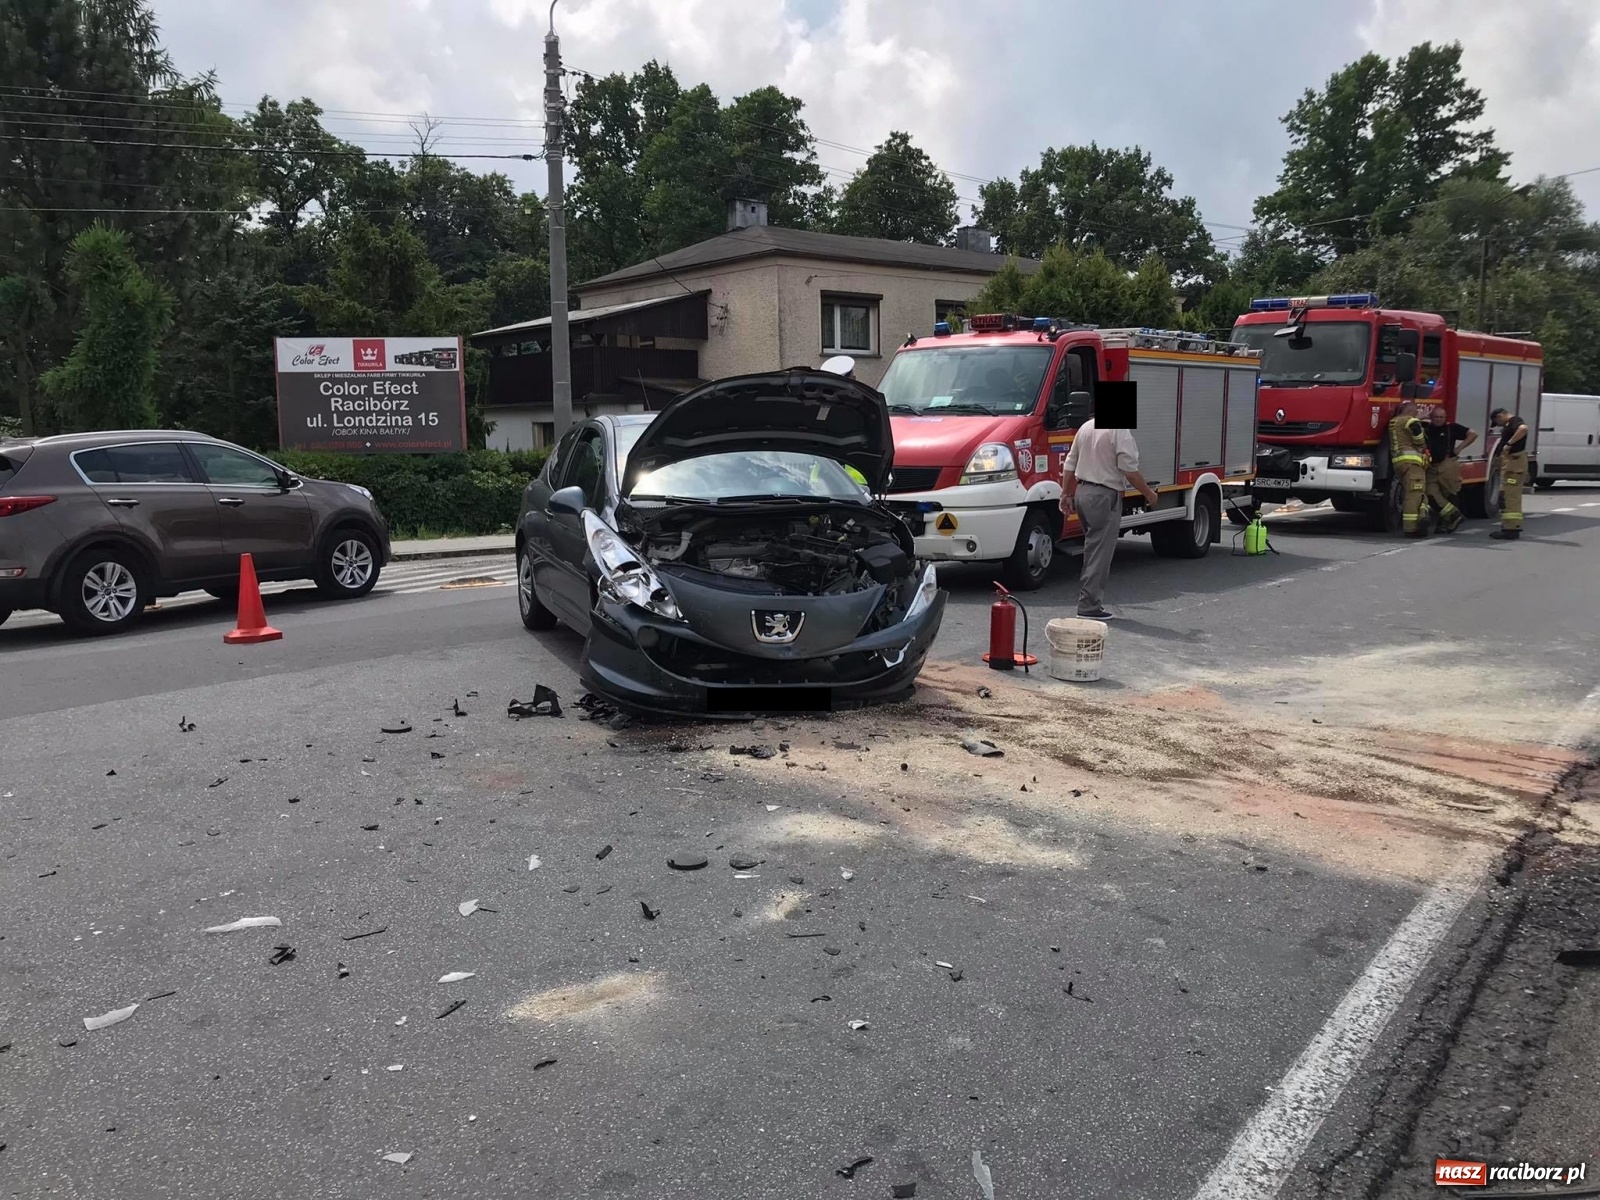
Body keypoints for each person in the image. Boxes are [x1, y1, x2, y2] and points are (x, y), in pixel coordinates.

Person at [1058, 418, 1160, 620]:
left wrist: (1065, 494)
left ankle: (1088, 600)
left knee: (1092, 549)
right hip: (1104, 495)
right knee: (1099, 553)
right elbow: (1129, 470)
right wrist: (1149, 494)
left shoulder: (1086, 427)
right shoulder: (1119, 430)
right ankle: (1089, 606)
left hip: (1083, 492)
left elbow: (1070, 463)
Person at [1423, 407, 1477, 533]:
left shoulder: (1452, 428)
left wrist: (1459, 448)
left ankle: (1446, 522)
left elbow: (1473, 434)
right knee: (1430, 494)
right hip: (1430, 466)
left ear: (1445, 418)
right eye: (1435, 417)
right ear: (1431, 418)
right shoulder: (1425, 427)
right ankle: (1455, 515)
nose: (1438, 420)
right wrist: (1422, 417)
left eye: (1441, 417)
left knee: (1449, 493)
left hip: (1447, 464)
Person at [1388, 401, 1431, 537]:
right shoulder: (1409, 420)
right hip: (1412, 464)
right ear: (1412, 411)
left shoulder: (1394, 421)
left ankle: (1423, 516)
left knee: (1418, 492)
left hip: (1400, 465)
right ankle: (1411, 528)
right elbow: (1416, 430)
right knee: (1413, 495)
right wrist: (1421, 443)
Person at [1489, 407, 1530, 540]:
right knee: (1506, 495)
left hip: (1514, 464)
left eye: (1498, 422)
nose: (1499, 425)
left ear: (1500, 416)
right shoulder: (1510, 423)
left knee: (1510, 496)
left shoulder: (1515, 421)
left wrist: (1509, 443)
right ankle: (1509, 527)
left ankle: (1511, 529)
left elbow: (1523, 428)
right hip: (1511, 464)